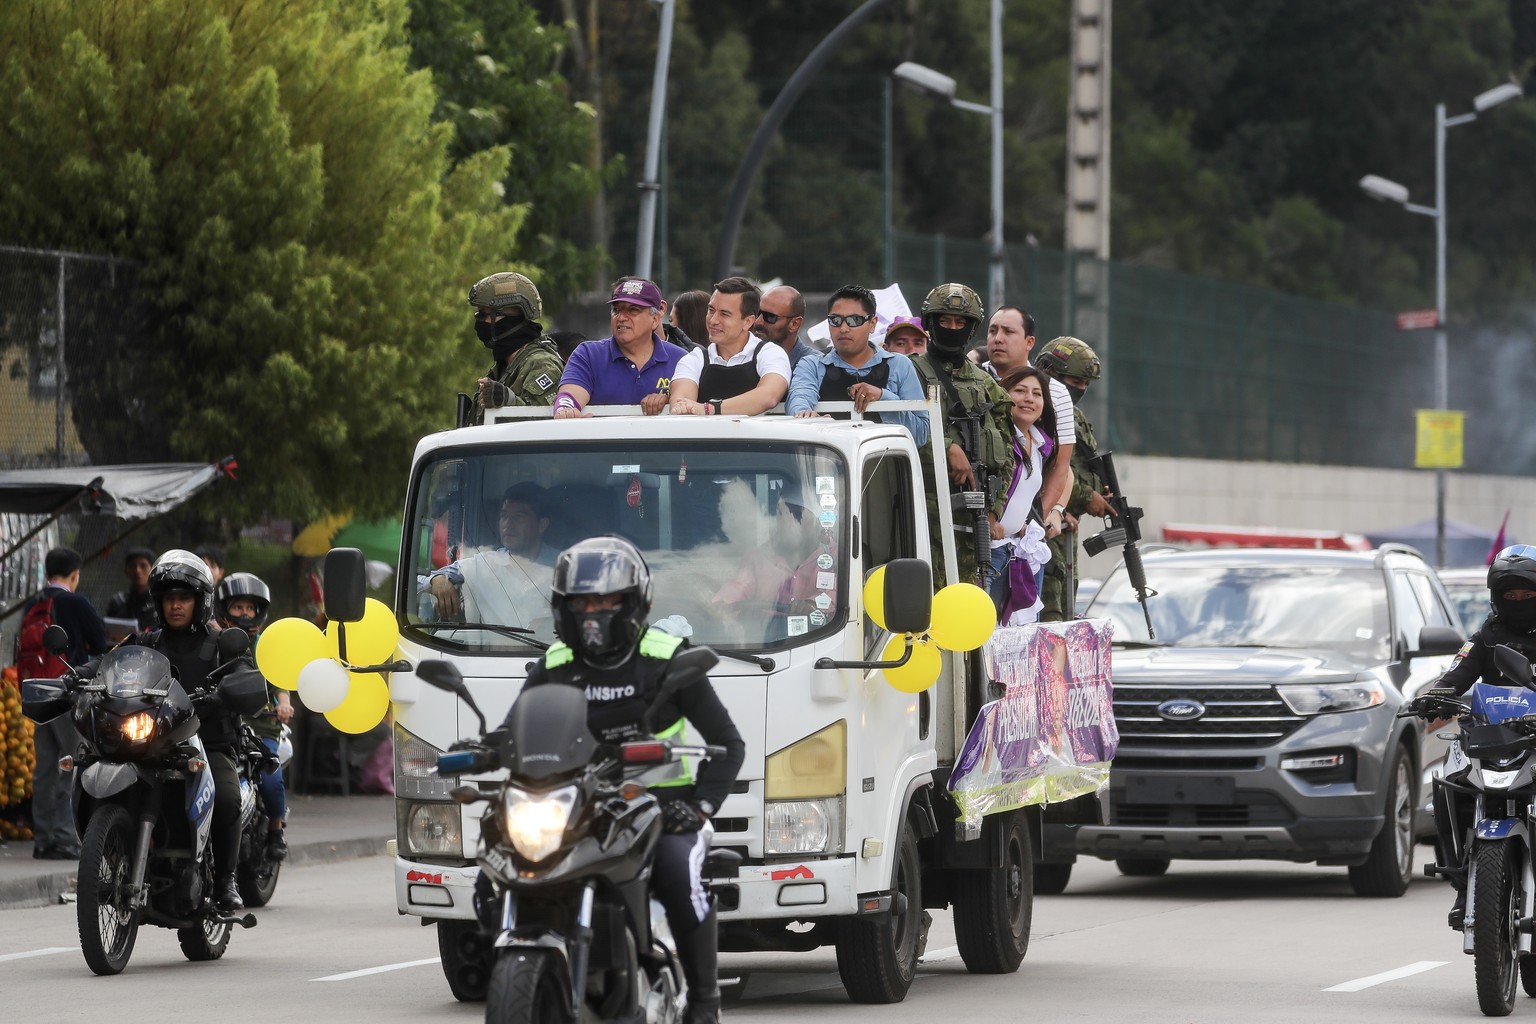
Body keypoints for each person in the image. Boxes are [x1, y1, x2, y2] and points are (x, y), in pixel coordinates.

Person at [512, 537, 744, 1024]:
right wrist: (474, 750)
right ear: (564, 607)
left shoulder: (667, 659)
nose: (593, 611)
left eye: (606, 601)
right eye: (582, 602)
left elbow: (729, 744)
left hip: (664, 813)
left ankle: (704, 1004)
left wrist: (700, 807)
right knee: (504, 862)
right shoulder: (555, 665)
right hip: (580, 812)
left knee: (680, 873)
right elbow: (514, 730)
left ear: (634, 601)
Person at [120, 550, 249, 909]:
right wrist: (76, 677)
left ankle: (226, 880)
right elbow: (106, 664)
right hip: (152, 745)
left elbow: (244, 674)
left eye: (184, 598)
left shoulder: (221, 644)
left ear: (200, 601)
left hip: (208, 745)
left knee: (225, 799)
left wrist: (229, 692)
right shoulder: (146, 643)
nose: (175, 606)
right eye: (168, 599)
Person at [1424, 545, 1536, 928]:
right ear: (1497, 597)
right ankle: (1461, 879)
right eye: (1510, 595)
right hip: (1488, 738)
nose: (1518, 601)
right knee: (1447, 784)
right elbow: (1456, 674)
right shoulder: (1485, 635)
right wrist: (1434, 697)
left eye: (1527, 594)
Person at [908, 283, 1016, 587]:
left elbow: (1006, 455)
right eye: (944, 322)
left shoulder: (987, 385)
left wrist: (995, 510)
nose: (952, 328)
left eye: (960, 323)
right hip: (921, 516)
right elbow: (897, 426)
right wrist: (946, 448)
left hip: (972, 524)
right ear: (930, 324)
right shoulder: (908, 372)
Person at [24, 547, 110, 859]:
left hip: (35, 692)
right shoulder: (74, 601)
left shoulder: (34, 603)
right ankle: (66, 837)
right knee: (73, 764)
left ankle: (44, 838)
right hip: (66, 691)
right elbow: (99, 642)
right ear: (75, 574)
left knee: (44, 768)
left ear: (47, 572)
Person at [786, 284, 930, 445]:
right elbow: (800, 399)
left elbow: (921, 434)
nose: (843, 328)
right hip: (830, 465)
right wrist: (807, 418)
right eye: (835, 320)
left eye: (854, 320)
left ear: (873, 324)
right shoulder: (811, 364)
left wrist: (883, 398)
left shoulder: (900, 365)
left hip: (887, 465)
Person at [1034, 336, 1111, 621]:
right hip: (1044, 527)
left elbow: (1079, 463)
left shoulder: (1073, 415)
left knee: (1065, 612)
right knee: (1048, 616)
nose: (1080, 389)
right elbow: (1047, 468)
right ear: (1049, 371)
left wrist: (1098, 490)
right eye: (1074, 381)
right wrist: (1086, 496)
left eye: (1085, 385)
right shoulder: (1036, 408)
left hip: (1065, 529)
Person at [216, 572, 289, 861]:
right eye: (238, 607)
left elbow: (281, 683)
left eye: (250, 608)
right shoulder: (215, 641)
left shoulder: (266, 646)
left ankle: (275, 828)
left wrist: (283, 704)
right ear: (225, 612)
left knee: (271, 778)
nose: (245, 614)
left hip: (260, 729)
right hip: (223, 726)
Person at [981, 307, 1075, 523]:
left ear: (1029, 342)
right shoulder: (972, 379)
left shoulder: (1056, 392)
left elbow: (1060, 465)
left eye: (1008, 332)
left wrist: (1033, 523)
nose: (998, 339)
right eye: (992, 331)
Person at [421, 482, 557, 623]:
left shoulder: (566, 567)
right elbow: (416, 582)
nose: (508, 524)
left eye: (519, 517)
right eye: (504, 516)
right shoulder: (483, 565)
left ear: (542, 525)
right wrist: (437, 580)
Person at [989, 367, 1063, 623]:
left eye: (1037, 394)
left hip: (1018, 551)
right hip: (991, 553)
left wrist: (1020, 524)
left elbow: (1065, 473)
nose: (1029, 399)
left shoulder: (1041, 444)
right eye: (1019, 391)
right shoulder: (995, 439)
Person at [555, 277, 686, 418]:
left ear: (655, 319)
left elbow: (692, 407)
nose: (621, 317)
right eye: (616, 310)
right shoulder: (588, 355)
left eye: (633, 310)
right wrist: (565, 410)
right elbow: (568, 397)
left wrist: (670, 400)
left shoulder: (681, 360)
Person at [669, 276, 790, 416]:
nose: (713, 320)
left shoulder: (771, 353)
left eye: (724, 314)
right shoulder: (694, 359)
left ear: (748, 322)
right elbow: (681, 405)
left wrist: (709, 409)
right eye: (711, 310)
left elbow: (769, 396)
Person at [466, 272, 565, 424]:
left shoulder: (540, 364)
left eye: (487, 315)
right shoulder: (505, 367)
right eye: (479, 315)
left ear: (513, 319)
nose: (481, 322)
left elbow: (544, 426)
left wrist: (507, 399)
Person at [752, 285, 817, 370]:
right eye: (757, 313)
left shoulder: (815, 367)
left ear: (795, 324)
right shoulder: (741, 357)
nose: (758, 322)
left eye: (770, 317)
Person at [106, 546, 157, 630]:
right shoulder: (119, 602)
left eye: (143, 566)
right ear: (126, 571)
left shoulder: (159, 602)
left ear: (153, 570)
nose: (137, 570)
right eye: (132, 566)